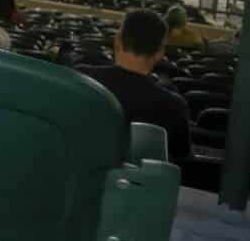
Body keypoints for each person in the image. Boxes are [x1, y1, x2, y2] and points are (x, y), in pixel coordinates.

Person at [77, 10, 192, 163]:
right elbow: (182, 158)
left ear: (118, 41)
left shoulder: (80, 79)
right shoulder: (174, 106)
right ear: (159, 53)